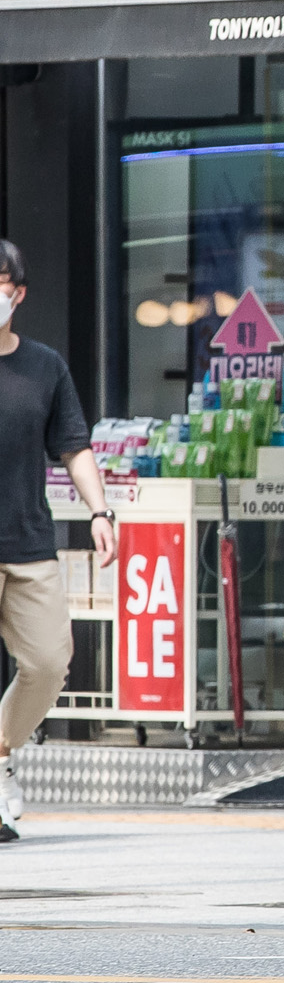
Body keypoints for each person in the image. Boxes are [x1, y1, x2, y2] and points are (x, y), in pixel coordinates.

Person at [0, 239, 115, 840]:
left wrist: (100, 512)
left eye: (0, 284)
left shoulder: (44, 367)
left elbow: (73, 446)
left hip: (26, 541)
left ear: (18, 294)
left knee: (48, 662)